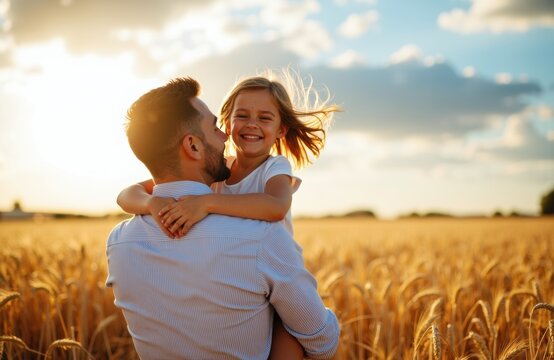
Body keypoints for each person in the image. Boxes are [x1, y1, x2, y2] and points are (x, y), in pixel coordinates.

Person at [106, 77, 340, 359]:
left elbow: (277, 205)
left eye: (264, 117)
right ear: (193, 146)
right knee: (293, 327)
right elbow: (322, 342)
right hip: (279, 278)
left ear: (281, 130)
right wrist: (152, 203)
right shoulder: (258, 234)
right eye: (221, 125)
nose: (225, 136)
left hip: (276, 281)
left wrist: (206, 202)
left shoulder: (118, 242)